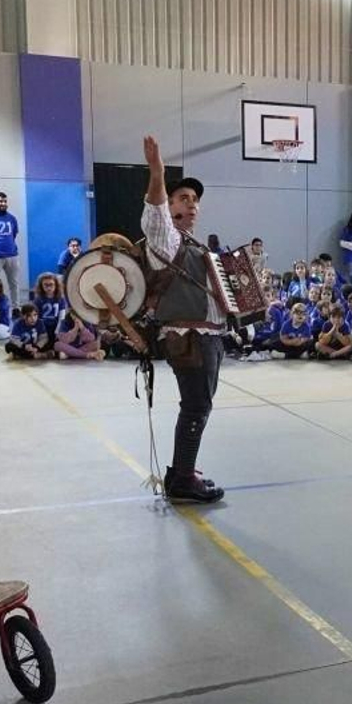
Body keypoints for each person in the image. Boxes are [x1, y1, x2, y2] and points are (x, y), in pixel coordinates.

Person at [141, 135, 228, 505]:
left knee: (197, 404)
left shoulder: (195, 244)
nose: (191, 205)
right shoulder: (167, 240)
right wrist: (158, 173)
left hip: (208, 337)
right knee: (196, 406)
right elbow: (156, 211)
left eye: (194, 200)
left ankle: (181, 470)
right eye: (183, 199)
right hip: (188, 337)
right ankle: (183, 481)